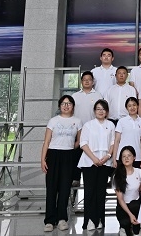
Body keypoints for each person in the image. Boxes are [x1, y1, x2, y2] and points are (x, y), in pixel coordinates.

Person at [41, 95, 82, 233]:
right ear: (60, 106)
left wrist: (70, 147)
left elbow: (79, 141)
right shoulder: (53, 121)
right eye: (64, 103)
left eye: (69, 103)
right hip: (53, 155)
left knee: (65, 189)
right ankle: (49, 220)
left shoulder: (77, 121)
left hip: (69, 156)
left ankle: (62, 219)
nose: (66, 106)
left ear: (73, 106)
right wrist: (43, 159)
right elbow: (46, 141)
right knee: (51, 189)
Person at [77, 99, 115, 231]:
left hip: (105, 161)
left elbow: (113, 143)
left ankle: (99, 220)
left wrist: (107, 156)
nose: (101, 111)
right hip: (89, 162)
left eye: (103, 109)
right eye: (98, 109)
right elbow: (83, 143)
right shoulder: (88, 125)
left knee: (101, 192)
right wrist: (94, 158)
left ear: (107, 112)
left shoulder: (110, 125)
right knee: (90, 192)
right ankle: (89, 221)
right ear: (94, 111)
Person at [71, 71, 102, 185]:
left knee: (91, 153)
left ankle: (92, 179)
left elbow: (101, 112)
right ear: (81, 82)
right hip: (78, 129)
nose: (87, 81)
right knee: (76, 153)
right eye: (84, 80)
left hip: (93, 130)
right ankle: (76, 178)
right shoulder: (75, 96)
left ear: (93, 82)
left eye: (89, 79)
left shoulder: (98, 95)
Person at [113, 146, 141, 236]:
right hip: (124, 207)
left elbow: (139, 189)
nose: (126, 158)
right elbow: (120, 200)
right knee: (126, 227)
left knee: (135, 204)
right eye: (124, 156)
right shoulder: (117, 175)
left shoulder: (138, 172)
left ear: (134, 157)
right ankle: (124, 227)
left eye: (129, 156)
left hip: (136, 206)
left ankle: (136, 228)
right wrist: (130, 215)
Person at [112, 97, 141, 169]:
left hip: (136, 157)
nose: (132, 108)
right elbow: (117, 140)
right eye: (129, 106)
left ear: (137, 106)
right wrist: (114, 158)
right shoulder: (121, 121)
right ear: (126, 108)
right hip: (122, 156)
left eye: (134, 105)